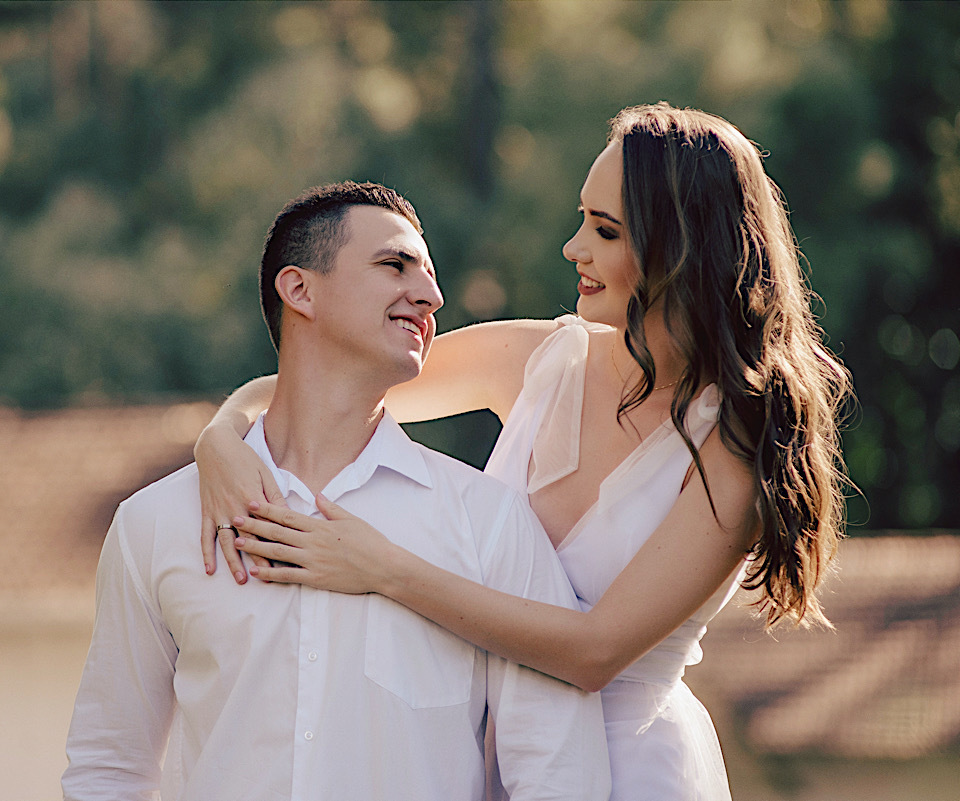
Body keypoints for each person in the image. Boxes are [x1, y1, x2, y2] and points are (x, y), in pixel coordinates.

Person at [195, 104, 852, 801]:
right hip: (490, 752)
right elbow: (329, 384)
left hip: (631, 769)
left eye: (605, 231)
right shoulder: (542, 359)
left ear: (681, 248)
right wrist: (221, 438)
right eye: (582, 219)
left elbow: (595, 651)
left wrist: (382, 569)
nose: (573, 247)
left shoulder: (737, 441)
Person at [62, 181, 610, 801]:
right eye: (394, 265)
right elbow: (108, 768)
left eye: (430, 277)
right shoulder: (157, 522)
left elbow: (560, 773)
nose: (431, 296)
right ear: (300, 290)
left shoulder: (490, 522)